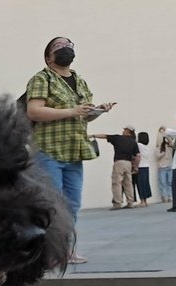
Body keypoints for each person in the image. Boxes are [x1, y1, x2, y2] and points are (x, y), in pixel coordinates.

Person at [26, 37, 115, 264]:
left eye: (70, 45)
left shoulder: (80, 81)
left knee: (72, 205)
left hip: (75, 151)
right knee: (51, 205)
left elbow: (83, 115)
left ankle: (65, 251)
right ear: (48, 57)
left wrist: (97, 111)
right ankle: (46, 254)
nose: (66, 48)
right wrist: (72, 110)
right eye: (59, 46)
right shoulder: (42, 78)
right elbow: (34, 112)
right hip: (49, 150)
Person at [90, 126, 139, 209]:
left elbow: (105, 136)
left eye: (124, 130)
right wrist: (136, 167)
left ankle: (117, 203)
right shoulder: (133, 142)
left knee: (117, 183)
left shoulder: (118, 138)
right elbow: (137, 156)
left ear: (128, 131)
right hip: (128, 163)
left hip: (119, 162)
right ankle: (130, 202)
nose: (123, 131)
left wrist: (94, 135)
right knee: (128, 183)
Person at [155, 127, 174, 204]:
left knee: (170, 182)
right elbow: (157, 156)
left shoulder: (170, 147)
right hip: (162, 167)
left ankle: (170, 196)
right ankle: (164, 197)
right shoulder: (159, 147)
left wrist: (166, 133)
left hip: (169, 166)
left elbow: (171, 142)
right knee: (162, 183)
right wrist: (163, 153)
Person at [134, 131, 153, 207]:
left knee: (140, 184)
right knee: (145, 183)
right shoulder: (146, 147)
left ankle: (142, 201)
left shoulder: (139, 145)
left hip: (140, 166)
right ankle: (145, 200)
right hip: (146, 166)